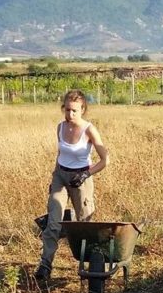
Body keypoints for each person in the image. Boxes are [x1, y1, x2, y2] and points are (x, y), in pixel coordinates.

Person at [36, 89, 110, 280]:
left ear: (83, 109)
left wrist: (86, 174)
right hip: (60, 175)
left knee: (84, 223)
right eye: (67, 110)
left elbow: (104, 160)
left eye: (74, 111)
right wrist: (54, 181)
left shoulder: (89, 130)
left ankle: (90, 268)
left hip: (81, 178)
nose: (70, 114)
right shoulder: (60, 127)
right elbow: (60, 155)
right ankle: (45, 265)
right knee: (53, 222)